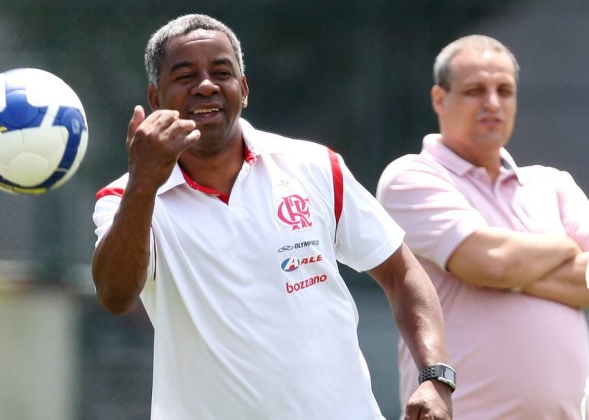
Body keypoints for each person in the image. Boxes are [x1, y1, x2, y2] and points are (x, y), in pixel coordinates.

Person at [92, 13, 454, 420]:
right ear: (156, 98)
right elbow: (116, 296)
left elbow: (402, 274)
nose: (206, 84)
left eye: (222, 71)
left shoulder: (314, 165)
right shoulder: (126, 198)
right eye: (185, 75)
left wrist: (435, 379)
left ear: (243, 89)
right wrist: (144, 181)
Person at [376, 34, 589, 419]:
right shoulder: (411, 176)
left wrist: (504, 271)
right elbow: (489, 261)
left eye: (504, 90)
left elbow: (500, 268)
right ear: (440, 99)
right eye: (475, 90)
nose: (492, 102)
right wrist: (564, 246)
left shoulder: (553, 183)